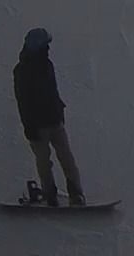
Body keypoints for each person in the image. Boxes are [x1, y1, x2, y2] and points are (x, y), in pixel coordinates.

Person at [14, 28, 85, 207]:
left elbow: (53, 91)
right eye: (46, 45)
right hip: (38, 126)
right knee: (44, 161)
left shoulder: (47, 65)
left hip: (54, 121)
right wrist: (29, 126)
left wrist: (59, 110)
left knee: (66, 157)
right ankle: (49, 193)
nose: (48, 48)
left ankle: (76, 193)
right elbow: (22, 100)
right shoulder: (23, 71)